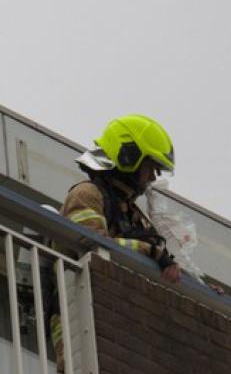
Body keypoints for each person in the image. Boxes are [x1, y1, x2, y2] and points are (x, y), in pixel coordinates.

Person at [49, 114, 181, 373]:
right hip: (77, 310)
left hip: (115, 316)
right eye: (150, 167)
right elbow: (92, 243)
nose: (152, 177)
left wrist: (195, 283)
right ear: (128, 157)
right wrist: (151, 251)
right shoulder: (86, 195)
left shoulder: (132, 213)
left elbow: (162, 261)